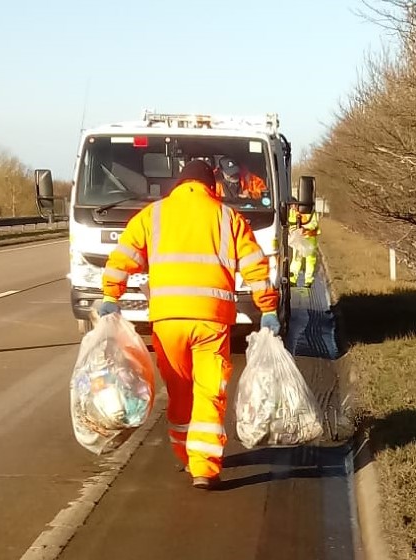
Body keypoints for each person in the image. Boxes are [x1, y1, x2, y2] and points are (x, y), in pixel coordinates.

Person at [96, 158, 280, 490]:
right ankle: (204, 468)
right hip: (211, 320)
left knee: (180, 392)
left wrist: (112, 294)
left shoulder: (152, 215)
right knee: (210, 392)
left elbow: (122, 257)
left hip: (167, 320)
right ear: (212, 185)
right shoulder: (228, 217)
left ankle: (185, 454)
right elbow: (255, 266)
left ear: (180, 183)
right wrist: (267, 308)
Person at [287, 202, 320, 288]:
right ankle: (292, 280)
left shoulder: (311, 211)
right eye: (292, 206)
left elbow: (314, 224)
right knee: (296, 259)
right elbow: (290, 223)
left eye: (294, 205)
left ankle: (308, 281)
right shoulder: (292, 212)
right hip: (299, 239)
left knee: (310, 261)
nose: (293, 207)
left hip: (309, 239)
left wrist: (304, 228)